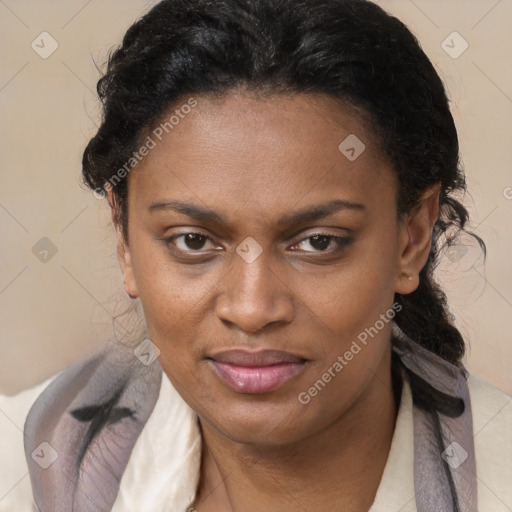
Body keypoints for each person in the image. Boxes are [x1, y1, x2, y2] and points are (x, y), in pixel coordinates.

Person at [1, 0, 511, 510]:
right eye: (193, 241)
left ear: (412, 237)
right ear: (125, 238)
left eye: (318, 242)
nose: (251, 309)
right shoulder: (24, 469)